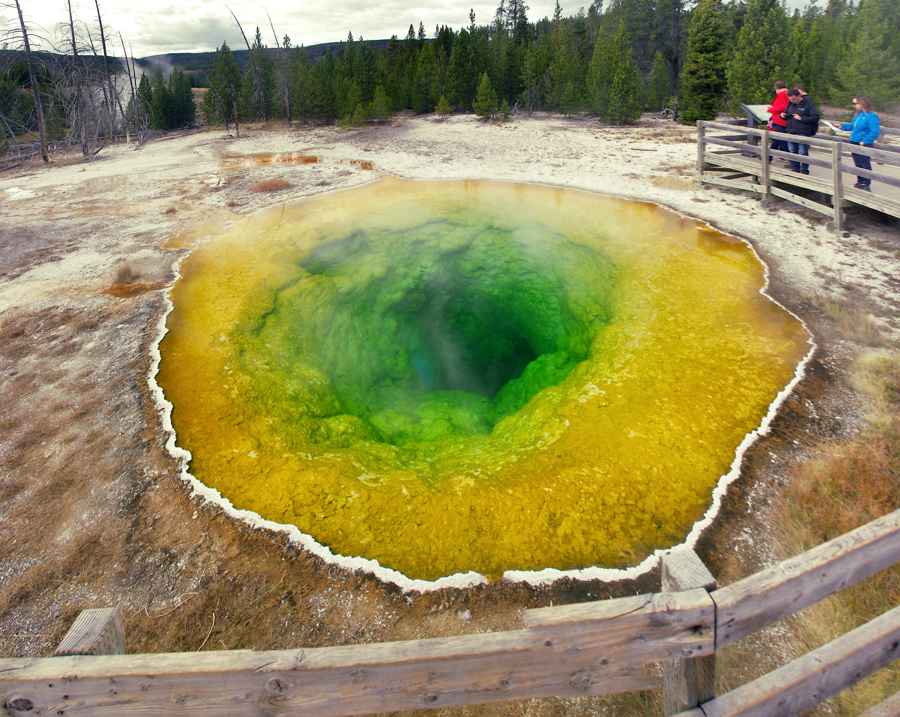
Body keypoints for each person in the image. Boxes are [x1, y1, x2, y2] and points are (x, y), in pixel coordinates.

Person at [841, 96, 881, 192]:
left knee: (865, 164)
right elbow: (852, 126)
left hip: (864, 144)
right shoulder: (858, 115)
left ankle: (866, 183)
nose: (854, 106)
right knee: (858, 163)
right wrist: (842, 126)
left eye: (855, 103)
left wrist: (865, 140)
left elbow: (875, 131)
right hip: (854, 142)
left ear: (862, 103)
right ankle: (860, 181)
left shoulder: (872, 116)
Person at [782, 88, 820, 174]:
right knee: (792, 151)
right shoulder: (790, 103)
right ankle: (795, 169)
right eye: (791, 99)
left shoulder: (809, 104)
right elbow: (787, 114)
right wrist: (783, 115)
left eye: (794, 99)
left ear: (799, 96)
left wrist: (801, 118)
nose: (793, 101)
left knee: (802, 152)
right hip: (791, 130)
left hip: (803, 132)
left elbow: (816, 117)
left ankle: (804, 170)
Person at [767, 80, 790, 158]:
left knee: (780, 141)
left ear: (776, 87)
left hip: (779, 121)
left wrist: (771, 109)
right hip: (783, 120)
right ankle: (769, 157)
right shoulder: (787, 93)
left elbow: (783, 107)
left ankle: (792, 159)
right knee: (777, 140)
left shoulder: (782, 94)